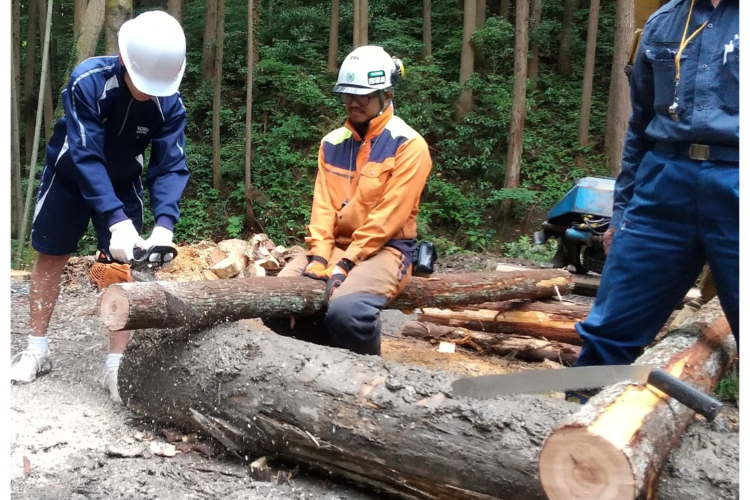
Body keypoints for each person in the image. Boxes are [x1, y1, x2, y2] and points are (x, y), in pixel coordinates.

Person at [10, 10, 190, 403]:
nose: (149, 93)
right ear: (124, 59)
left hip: (125, 180)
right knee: (51, 255)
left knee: (124, 268)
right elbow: (86, 156)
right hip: (71, 176)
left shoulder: (169, 104)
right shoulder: (88, 81)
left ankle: (116, 365)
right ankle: (37, 348)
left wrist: (164, 225)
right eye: (144, 85)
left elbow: (171, 165)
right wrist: (117, 223)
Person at [568, 0, 738, 403]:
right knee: (611, 325)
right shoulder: (663, 22)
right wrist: (622, 212)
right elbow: (640, 128)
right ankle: (578, 424)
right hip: (663, 185)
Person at [263, 45, 432, 355]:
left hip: (386, 248)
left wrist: (344, 263)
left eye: (363, 95)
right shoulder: (332, 143)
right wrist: (318, 257)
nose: (354, 102)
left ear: (386, 95)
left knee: (348, 313)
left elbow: (388, 218)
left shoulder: (409, 146)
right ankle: (324, 364)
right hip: (335, 247)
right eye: (348, 94)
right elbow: (323, 207)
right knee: (272, 301)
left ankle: (370, 375)